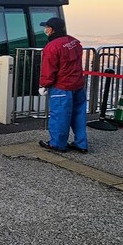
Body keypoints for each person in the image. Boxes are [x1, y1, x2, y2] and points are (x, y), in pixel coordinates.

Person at [38, 17, 88, 153]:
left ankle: (57, 144)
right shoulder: (73, 42)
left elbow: (49, 69)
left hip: (62, 87)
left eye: (47, 27)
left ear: (52, 29)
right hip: (78, 84)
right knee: (79, 115)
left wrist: (44, 85)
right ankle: (81, 144)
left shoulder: (52, 47)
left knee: (59, 116)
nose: (45, 30)